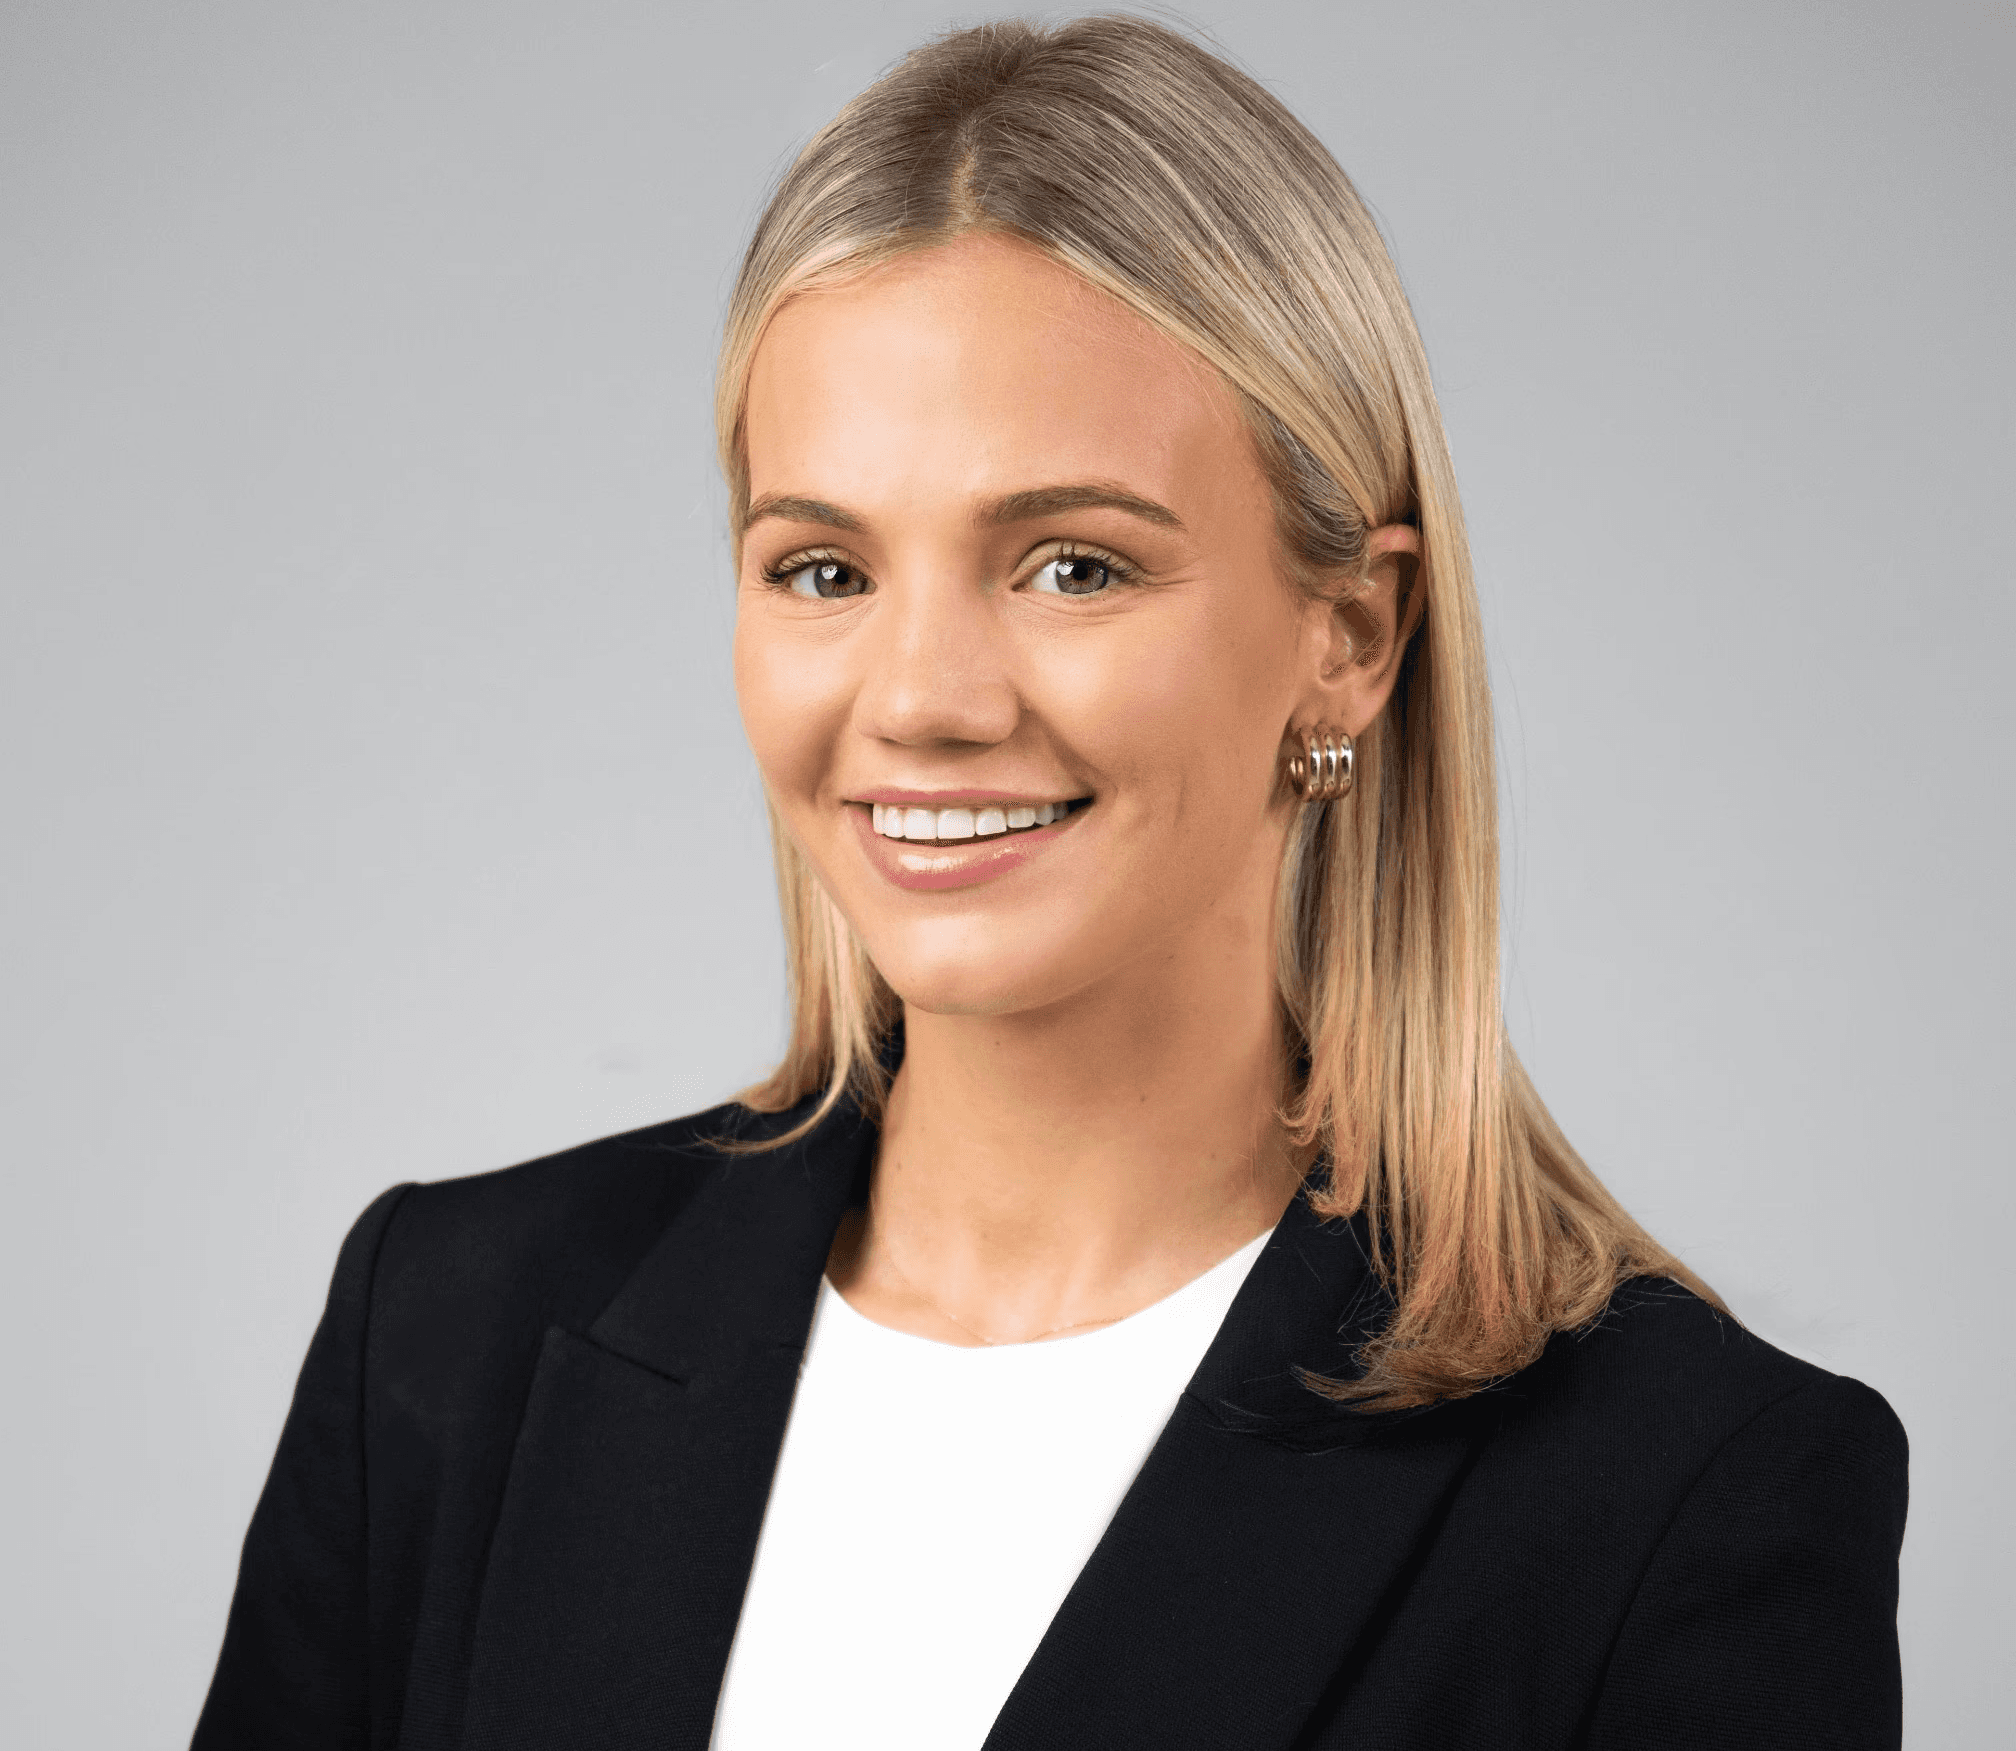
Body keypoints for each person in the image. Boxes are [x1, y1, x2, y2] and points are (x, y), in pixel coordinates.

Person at [192, 16, 1907, 1750]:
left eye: (1072, 565)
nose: (923, 695)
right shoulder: (444, 1334)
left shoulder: (1685, 1496)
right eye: (823, 566)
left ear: (1355, 635)